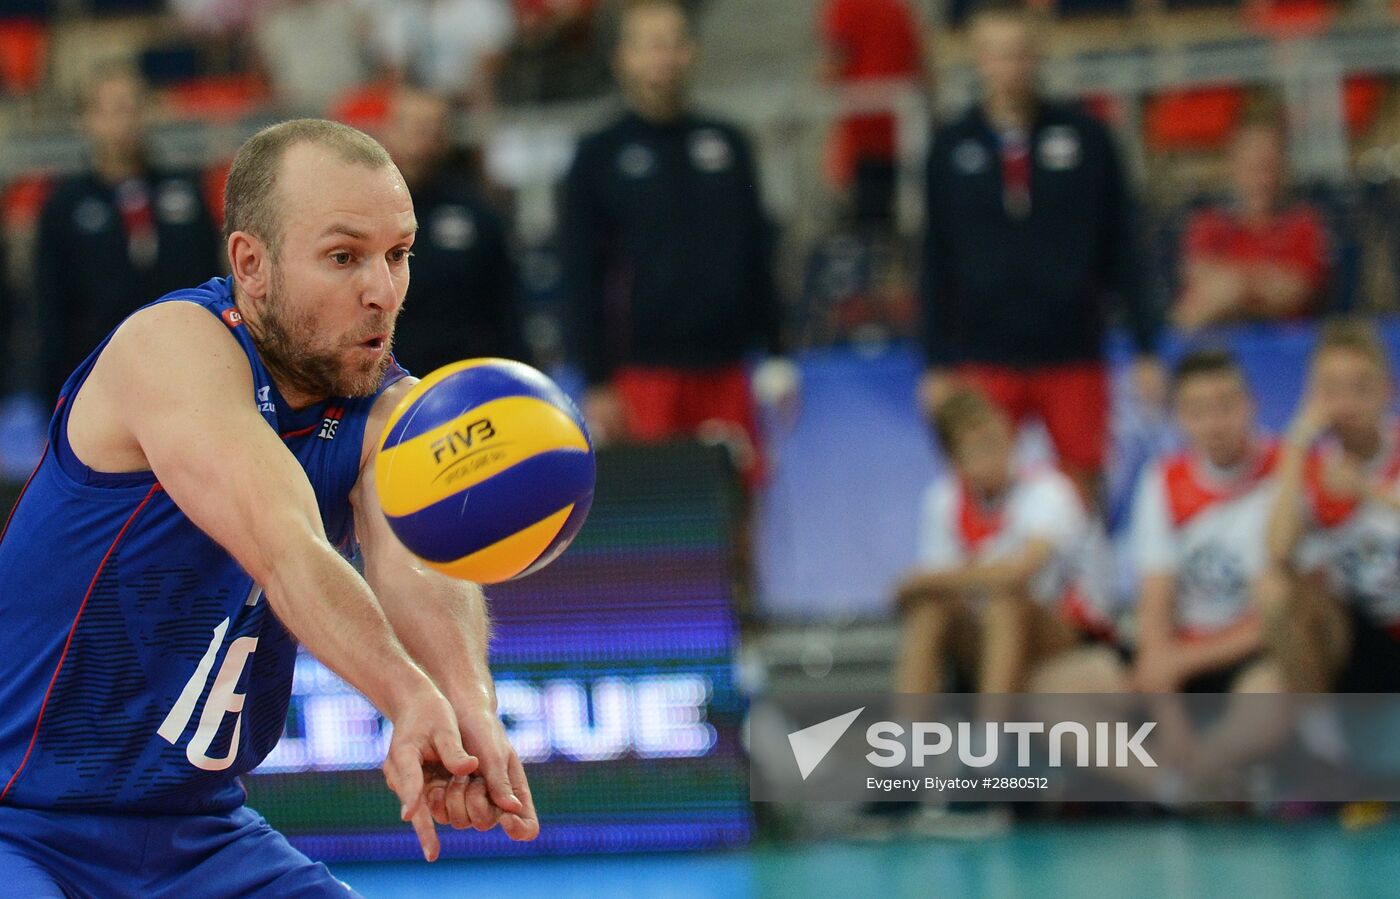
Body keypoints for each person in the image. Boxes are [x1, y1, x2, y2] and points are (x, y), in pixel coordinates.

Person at [0, 120, 538, 897]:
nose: (382, 291)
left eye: (398, 254)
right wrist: (403, 693)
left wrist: (464, 703)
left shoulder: (391, 409)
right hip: (21, 821)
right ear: (251, 264)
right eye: (344, 257)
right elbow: (285, 545)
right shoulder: (173, 348)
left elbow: (415, 559)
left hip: (197, 833)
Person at [918, 0, 1162, 503]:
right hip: (985, 353)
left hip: (1072, 349)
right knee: (983, 495)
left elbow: (1123, 246)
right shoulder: (949, 147)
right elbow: (934, 258)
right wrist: (936, 362)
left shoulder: (1088, 139)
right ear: (977, 57)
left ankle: (1085, 583)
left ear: (1039, 54)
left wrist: (1145, 347)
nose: (1009, 68)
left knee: (1081, 492)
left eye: (1019, 53)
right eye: (996, 54)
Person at [561, 0, 793, 485]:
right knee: (661, 527)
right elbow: (581, 274)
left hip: (727, 369)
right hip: (643, 375)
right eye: (649, 45)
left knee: (737, 512)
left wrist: (776, 353)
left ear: (691, 52)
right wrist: (598, 379)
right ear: (622, 57)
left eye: (673, 43)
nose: (663, 57)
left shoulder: (728, 144)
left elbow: (757, 255)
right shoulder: (597, 154)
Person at [1036, 350, 1283, 696]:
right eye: (1197, 412)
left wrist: (1183, 662)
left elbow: (1284, 610)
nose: (1214, 424)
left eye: (1226, 406)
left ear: (1252, 403)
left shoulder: (1287, 470)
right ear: (1178, 417)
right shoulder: (1164, 478)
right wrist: (1165, 702)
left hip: (1250, 654)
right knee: (1054, 689)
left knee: (1271, 693)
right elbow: (1155, 599)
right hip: (1176, 648)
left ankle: (1213, 753)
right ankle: (1144, 754)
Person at [893, 388, 1112, 697]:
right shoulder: (941, 500)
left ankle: (992, 737)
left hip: (1066, 630)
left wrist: (928, 580)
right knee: (929, 611)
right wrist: (927, 585)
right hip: (985, 634)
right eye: (979, 448)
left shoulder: (1048, 490)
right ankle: (907, 739)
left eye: (998, 440)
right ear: (955, 461)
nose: (996, 454)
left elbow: (1019, 573)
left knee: (1005, 602)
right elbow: (926, 591)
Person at [34, 66, 223, 406]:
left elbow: (212, 284)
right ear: (85, 119)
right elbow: (50, 304)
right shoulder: (64, 205)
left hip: (183, 370)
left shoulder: (186, 192)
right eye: (110, 109)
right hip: (97, 376)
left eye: (133, 106)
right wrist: (53, 398)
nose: (124, 119)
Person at [1262, 319, 1400, 693]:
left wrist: (1368, 492)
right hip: (1353, 633)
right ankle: (1320, 736)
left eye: (1361, 387)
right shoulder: (1310, 465)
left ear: (1387, 390)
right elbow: (1278, 549)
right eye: (1332, 389)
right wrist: (1297, 443)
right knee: (1275, 589)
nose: (1347, 402)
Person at [381, 85, 524, 373]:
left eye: (432, 128)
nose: (422, 140)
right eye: (412, 127)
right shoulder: (361, 212)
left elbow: (506, 305)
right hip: (381, 382)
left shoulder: (477, 213)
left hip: (462, 378)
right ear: (389, 131)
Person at [1174, 120, 1330, 331]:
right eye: (1251, 168)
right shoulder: (1209, 223)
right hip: (1221, 339)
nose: (1261, 180)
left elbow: (1293, 292)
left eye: (1268, 167)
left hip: (1287, 345)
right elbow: (1197, 277)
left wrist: (1236, 286)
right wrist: (1261, 281)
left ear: (1283, 170)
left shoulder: (1303, 223)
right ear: (1234, 168)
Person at [817, 0, 925, 227]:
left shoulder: (845, 6)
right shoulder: (898, 7)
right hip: (899, 132)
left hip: (864, 135)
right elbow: (919, 61)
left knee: (868, 228)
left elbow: (835, 61)